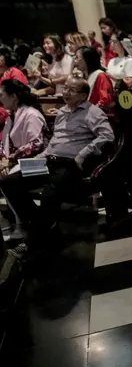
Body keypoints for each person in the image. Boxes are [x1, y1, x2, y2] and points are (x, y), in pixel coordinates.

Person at [1, 77, 114, 258]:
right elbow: (56, 140)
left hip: (71, 163)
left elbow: (107, 136)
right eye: (65, 88)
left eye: (71, 90)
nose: (65, 92)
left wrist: (83, 154)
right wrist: (41, 156)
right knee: (9, 183)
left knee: (49, 194)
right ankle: (46, 229)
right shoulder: (63, 111)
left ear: (83, 95)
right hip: (49, 159)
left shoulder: (93, 112)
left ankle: (32, 243)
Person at [0, 80, 47, 239]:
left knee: (7, 180)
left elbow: (36, 144)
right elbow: (4, 142)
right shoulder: (11, 116)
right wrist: (3, 159)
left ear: (14, 97)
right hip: (16, 161)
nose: (1, 99)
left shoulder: (31, 114)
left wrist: (11, 159)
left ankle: (27, 223)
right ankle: (10, 220)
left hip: (38, 162)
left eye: (2, 95)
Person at [75, 46, 114, 112]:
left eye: (77, 57)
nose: (75, 60)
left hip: (95, 117)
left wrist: (90, 112)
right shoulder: (82, 77)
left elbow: (105, 100)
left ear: (87, 59)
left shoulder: (100, 76)